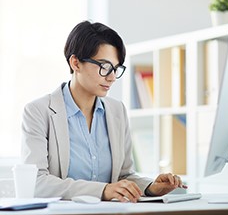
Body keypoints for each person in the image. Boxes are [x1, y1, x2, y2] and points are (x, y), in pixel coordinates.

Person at [21, 20, 187, 202]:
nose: (112, 77)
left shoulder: (117, 111)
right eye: (104, 67)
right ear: (75, 63)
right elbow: (36, 183)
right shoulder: (38, 111)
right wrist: (102, 190)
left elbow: (123, 177)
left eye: (116, 69)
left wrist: (150, 187)